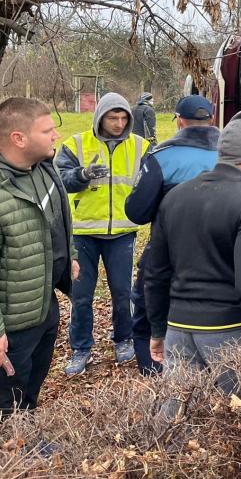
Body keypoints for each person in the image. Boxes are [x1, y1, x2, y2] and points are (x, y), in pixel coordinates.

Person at [143, 105, 241, 394]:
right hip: (232, 330)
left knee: (180, 425)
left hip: (178, 330)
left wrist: (157, 329)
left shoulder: (175, 197)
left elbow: (154, 273)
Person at [56, 93, 149, 377]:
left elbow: (149, 184)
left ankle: (123, 339)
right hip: (84, 233)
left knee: (123, 292)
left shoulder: (140, 146)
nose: (119, 123)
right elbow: (60, 180)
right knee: (81, 295)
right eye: (113, 118)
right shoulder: (77, 144)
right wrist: (82, 175)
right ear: (100, 117)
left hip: (122, 232)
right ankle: (81, 348)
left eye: (123, 118)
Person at [125, 95, 218, 375]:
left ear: (179, 120)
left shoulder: (161, 156)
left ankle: (155, 372)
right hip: (223, 250)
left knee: (146, 306)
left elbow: (137, 211)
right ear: (211, 120)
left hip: (169, 250)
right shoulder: (234, 154)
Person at [0, 98, 79, 414]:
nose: (55, 136)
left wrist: (69, 255)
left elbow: (59, 219)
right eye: (47, 130)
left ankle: (26, 434)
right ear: (18, 138)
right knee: (8, 401)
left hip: (44, 306)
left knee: (30, 389)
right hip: (13, 322)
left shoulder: (44, 169)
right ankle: (17, 456)